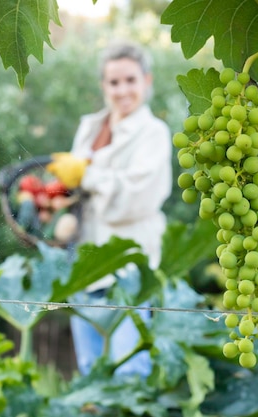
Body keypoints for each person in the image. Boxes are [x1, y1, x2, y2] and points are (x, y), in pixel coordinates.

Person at [46, 41, 172, 376]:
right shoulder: (90, 127)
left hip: (126, 267)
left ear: (146, 81)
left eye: (130, 80)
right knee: (91, 371)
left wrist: (87, 174)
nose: (122, 90)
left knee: (129, 371)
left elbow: (137, 197)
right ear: (104, 86)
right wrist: (55, 199)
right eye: (114, 82)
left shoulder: (153, 134)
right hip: (84, 264)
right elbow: (79, 191)